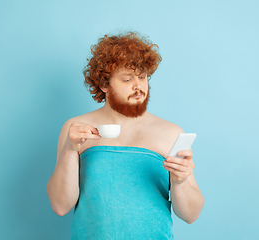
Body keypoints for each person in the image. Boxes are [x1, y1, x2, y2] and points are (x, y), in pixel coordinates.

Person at [47, 32, 204, 239]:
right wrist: (69, 150)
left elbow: (191, 215)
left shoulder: (171, 133)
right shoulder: (77, 130)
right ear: (104, 85)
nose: (138, 87)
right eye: (127, 79)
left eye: (142, 77)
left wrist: (180, 181)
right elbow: (60, 206)